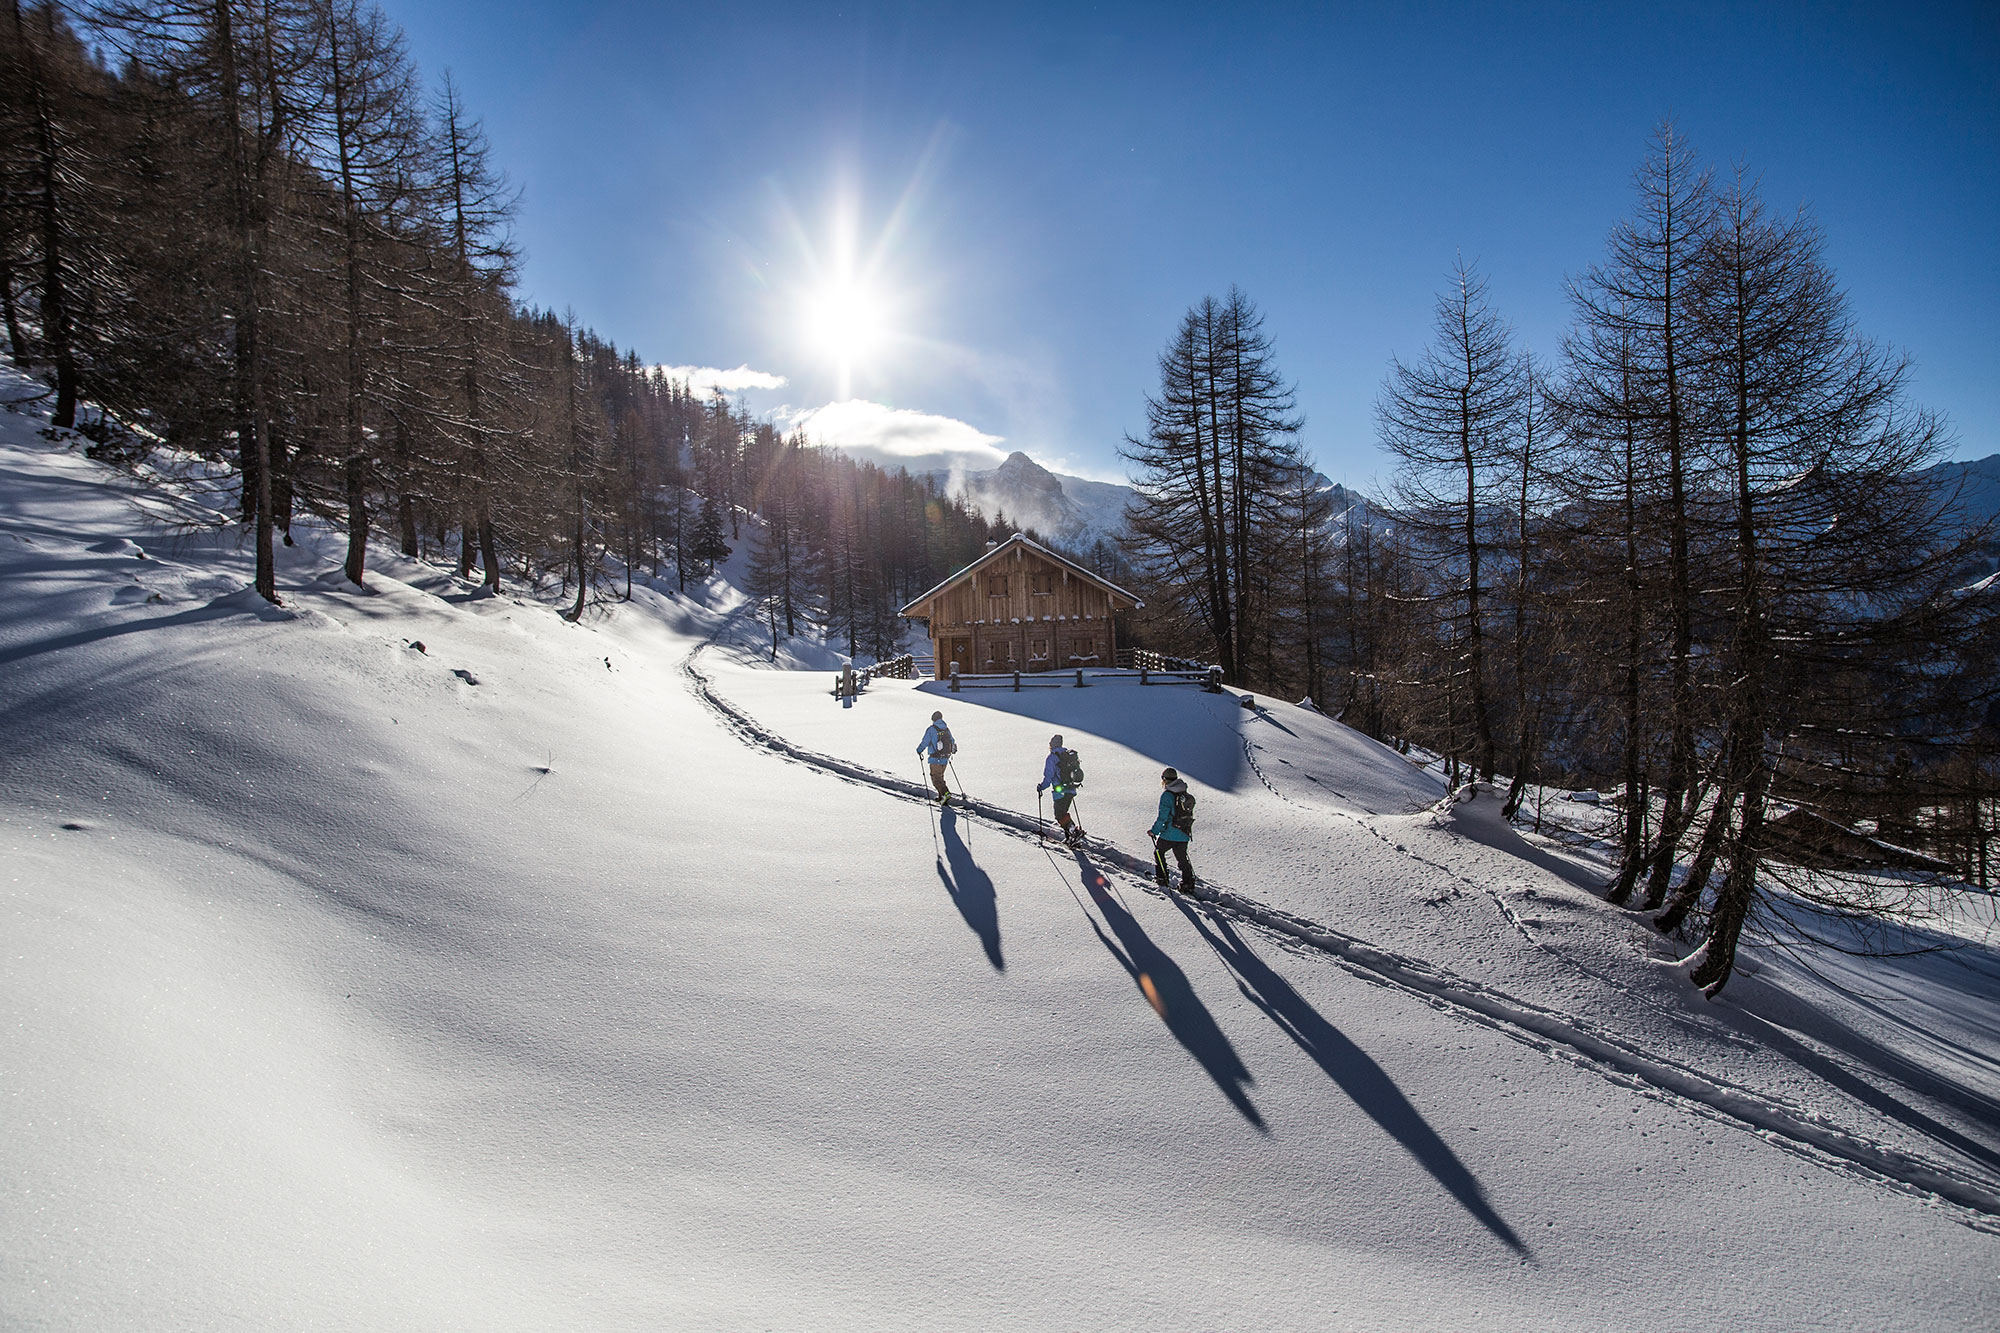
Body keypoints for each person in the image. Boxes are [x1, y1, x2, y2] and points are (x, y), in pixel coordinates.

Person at [1148, 766, 1196, 893]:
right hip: (1184, 833)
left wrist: (1154, 831)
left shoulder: (1167, 796)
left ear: (1165, 780)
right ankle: (1188, 883)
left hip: (1169, 833)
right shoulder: (1184, 794)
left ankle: (1162, 878)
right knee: (1182, 858)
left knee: (1158, 852)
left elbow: (1163, 817)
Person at [1036, 734, 1084, 846]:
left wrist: (1041, 787)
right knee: (1063, 813)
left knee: (1059, 814)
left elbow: (1048, 777)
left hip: (1060, 791)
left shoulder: (1052, 758)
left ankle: (1073, 831)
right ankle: (1070, 838)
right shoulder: (1067, 754)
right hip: (1071, 789)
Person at [917, 711, 956, 804]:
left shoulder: (931, 729)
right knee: (940, 777)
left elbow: (925, 742)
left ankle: (946, 793)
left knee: (935, 778)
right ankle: (941, 797)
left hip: (935, 759)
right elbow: (952, 741)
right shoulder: (946, 729)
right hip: (945, 758)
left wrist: (919, 750)